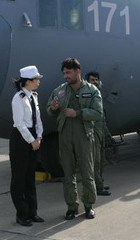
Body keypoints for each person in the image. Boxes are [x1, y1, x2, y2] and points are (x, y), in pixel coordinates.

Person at [46, 58, 103, 220]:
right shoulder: (60, 91)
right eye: (64, 73)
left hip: (83, 135)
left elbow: (98, 113)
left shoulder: (92, 91)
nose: (66, 76)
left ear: (78, 71)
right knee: (68, 172)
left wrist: (77, 113)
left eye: (68, 73)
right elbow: (49, 109)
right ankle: (71, 206)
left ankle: (89, 205)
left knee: (87, 171)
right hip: (64, 135)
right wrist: (53, 108)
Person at [10, 65, 45, 226]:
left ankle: (32, 212)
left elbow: (38, 119)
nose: (38, 81)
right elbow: (19, 124)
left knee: (30, 177)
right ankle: (21, 214)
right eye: (36, 79)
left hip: (32, 137)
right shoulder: (18, 98)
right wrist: (32, 140)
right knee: (19, 178)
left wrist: (39, 136)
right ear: (28, 81)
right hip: (21, 139)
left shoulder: (33, 96)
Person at [85, 71, 112, 196]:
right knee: (95, 161)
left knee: (101, 161)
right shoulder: (87, 96)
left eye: (96, 80)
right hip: (92, 132)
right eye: (92, 80)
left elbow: (102, 118)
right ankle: (98, 187)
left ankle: (99, 182)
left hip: (100, 132)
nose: (95, 82)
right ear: (87, 81)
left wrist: (107, 134)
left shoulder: (97, 94)